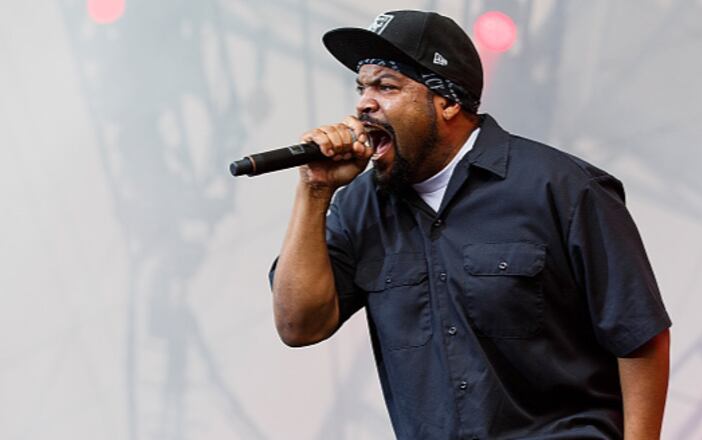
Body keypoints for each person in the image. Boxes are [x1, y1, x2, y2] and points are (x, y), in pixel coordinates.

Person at [269, 9, 671, 440]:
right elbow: (299, 326)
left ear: (447, 101)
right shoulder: (361, 207)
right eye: (362, 87)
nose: (364, 103)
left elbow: (640, 336)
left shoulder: (562, 188)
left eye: (386, 86)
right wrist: (315, 189)